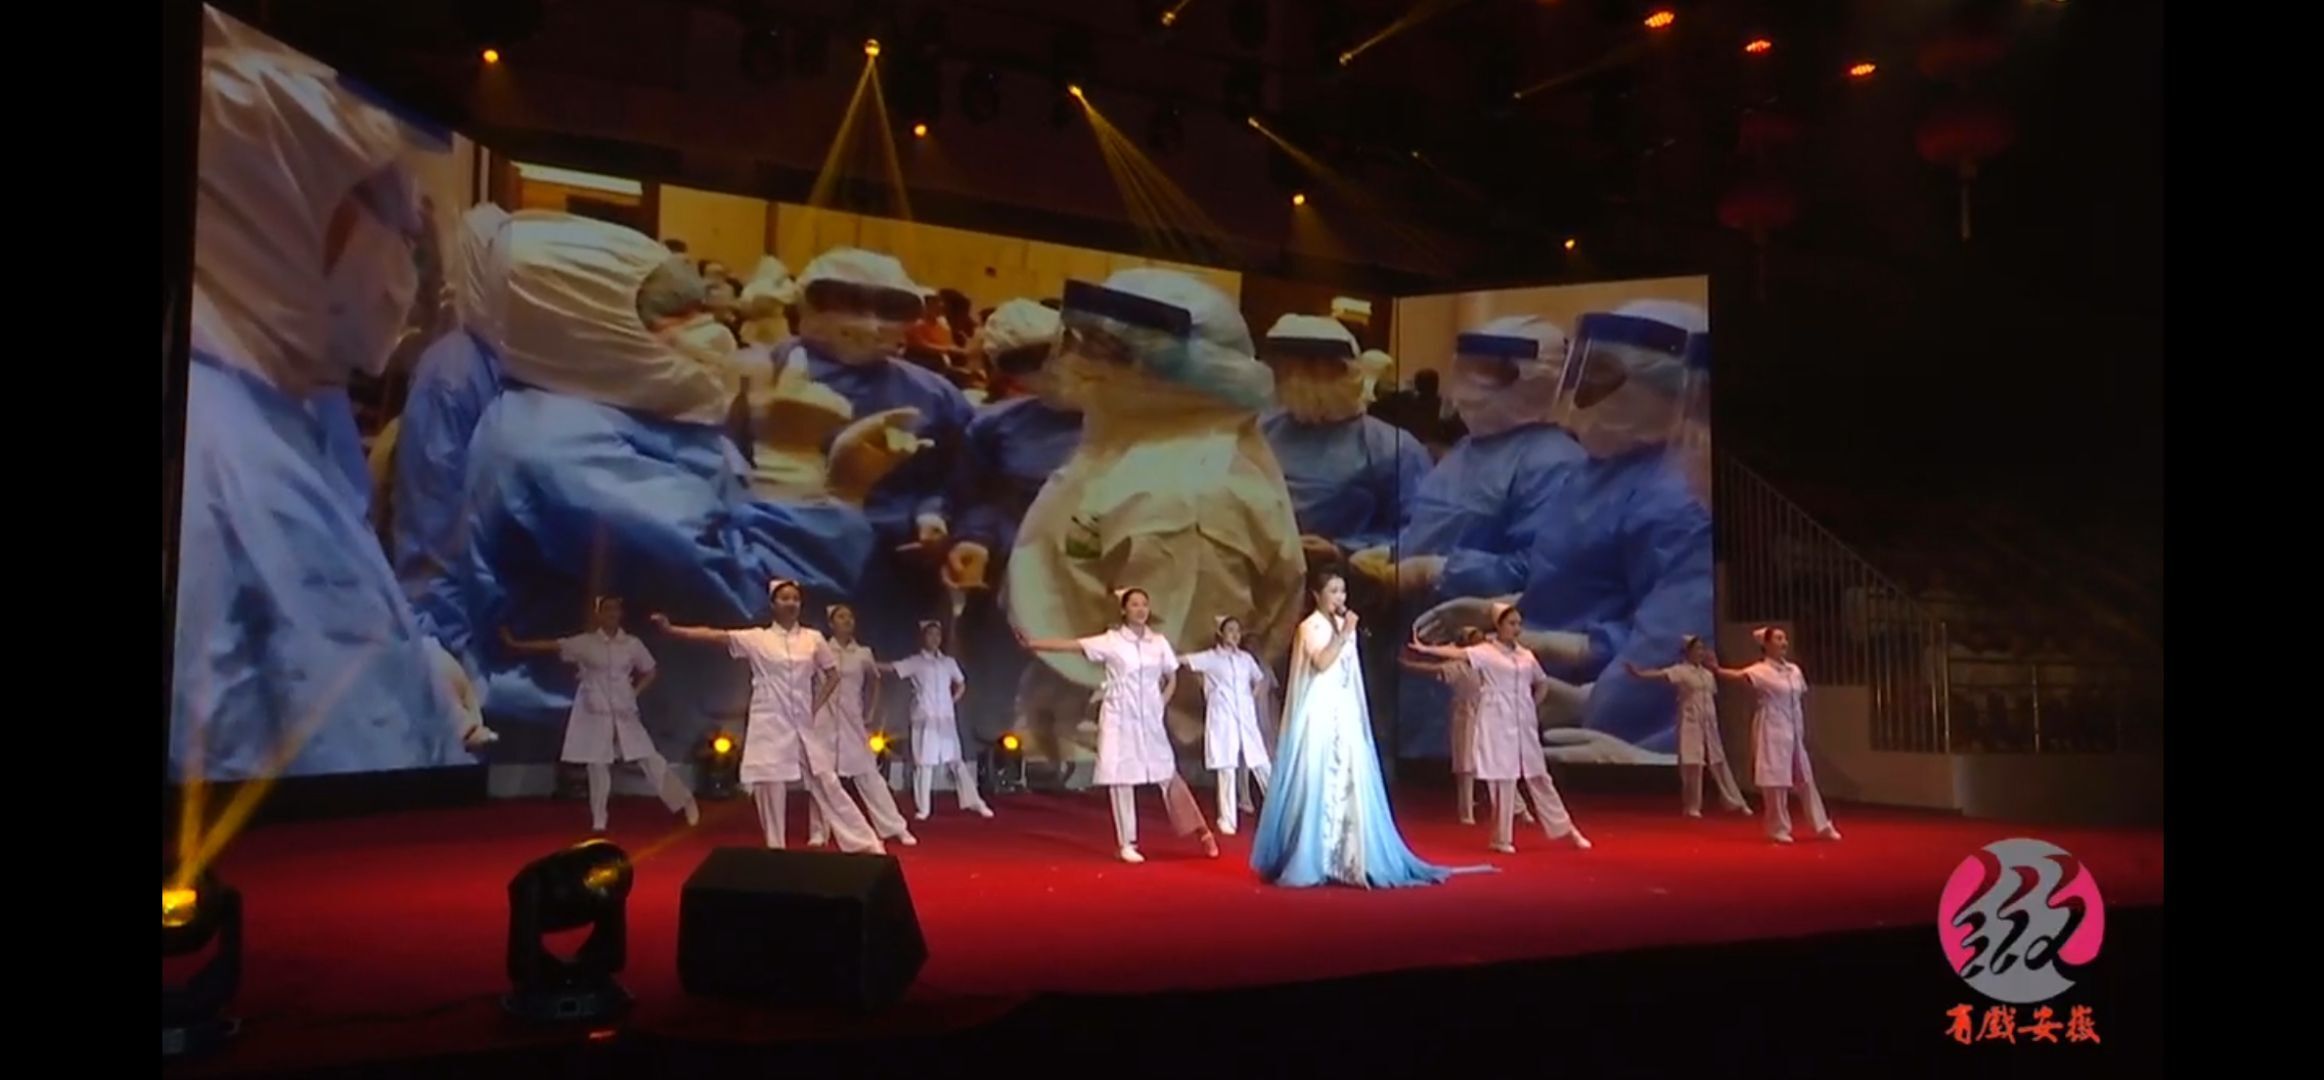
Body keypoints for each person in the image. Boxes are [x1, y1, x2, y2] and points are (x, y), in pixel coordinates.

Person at [171, 30, 489, 781]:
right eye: (387, 218)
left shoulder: (291, 403)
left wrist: (416, 675)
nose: (404, 257)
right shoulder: (217, 454)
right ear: (277, 203)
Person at [460, 214, 882, 755]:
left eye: (698, 306)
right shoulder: (554, 450)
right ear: (580, 322)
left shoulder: (625, 411)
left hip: (667, 726)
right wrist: (800, 470)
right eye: (668, 313)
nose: (708, 330)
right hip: (589, 744)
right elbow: (739, 592)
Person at [1005, 271, 1306, 767]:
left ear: (1181, 371)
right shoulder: (1131, 452)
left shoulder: (1191, 497)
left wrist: (1104, 756)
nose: (1078, 361)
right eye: (1078, 340)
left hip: (1148, 761)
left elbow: (1180, 682)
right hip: (1082, 736)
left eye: (1105, 349)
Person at [1414, 301, 1714, 760]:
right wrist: (1507, 610)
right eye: (1582, 370)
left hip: (1611, 721)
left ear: (1667, 386)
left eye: (1601, 374)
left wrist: (1583, 675)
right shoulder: (1593, 470)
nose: (1582, 389)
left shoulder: (1676, 495)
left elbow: (1667, 637)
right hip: (1543, 695)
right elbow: (1567, 578)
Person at [780, 247, 977, 657]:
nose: (868, 323)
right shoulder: (764, 376)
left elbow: (961, 475)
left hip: (899, 575)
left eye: (887, 307)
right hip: (790, 559)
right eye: (847, 302)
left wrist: (935, 517)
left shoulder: (934, 394)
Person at [1249, 572, 1483, 888]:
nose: (1340, 597)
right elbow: (1322, 662)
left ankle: (1348, 857)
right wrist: (1345, 632)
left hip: (1344, 713)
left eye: (1343, 591)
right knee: (1317, 780)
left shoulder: (1342, 626)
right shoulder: (1310, 627)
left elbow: (1350, 674)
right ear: (1317, 595)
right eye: (1333, 591)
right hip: (1319, 713)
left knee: (1351, 781)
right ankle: (1314, 855)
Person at [943, 301, 1086, 779]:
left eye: (1050, 353)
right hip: (1013, 569)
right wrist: (974, 541)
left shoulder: (1127, 426)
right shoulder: (996, 425)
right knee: (995, 679)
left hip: (1096, 577)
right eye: (1022, 362)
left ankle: (1066, 770)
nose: (1044, 369)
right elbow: (975, 498)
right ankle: (988, 763)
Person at [652, 581, 887, 854]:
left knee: (826, 780)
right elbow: (716, 636)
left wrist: (815, 705)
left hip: (802, 723)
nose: (791, 603)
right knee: (770, 785)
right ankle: (776, 848)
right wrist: (672, 629)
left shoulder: (812, 639)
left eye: (795, 598)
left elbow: (832, 675)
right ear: (773, 604)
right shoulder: (758, 638)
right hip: (769, 721)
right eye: (784, 598)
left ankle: (864, 842)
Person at [1019, 588, 1219, 864]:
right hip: (1119, 715)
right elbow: (1074, 645)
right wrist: (1034, 644)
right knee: (1120, 776)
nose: (1140, 609)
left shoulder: (1158, 642)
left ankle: (1200, 830)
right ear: (1124, 610)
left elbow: (1171, 675)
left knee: (1166, 772)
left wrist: (1161, 701)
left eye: (1144, 604)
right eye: (1134, 604)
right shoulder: (1112, 641)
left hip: (1149, 716)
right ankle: (1127, 842)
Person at [393, 202, 511, 643]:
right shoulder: (451, 375)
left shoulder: (507, 360)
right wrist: (450, 650)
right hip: (461, 634)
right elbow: (431, 539)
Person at [498, 597, 700, 832]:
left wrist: (634, 693)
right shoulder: (586, 643)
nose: (612, 614)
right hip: (595, 711)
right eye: (607, 609)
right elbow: (554, 645)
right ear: (599, 614)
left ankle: (685, 800)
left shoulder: (631, 644)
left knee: (649, 759)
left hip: (623, 710)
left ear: (620, 613)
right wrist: (516, 643)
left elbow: (650, 670)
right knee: (597, 765)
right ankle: (599, 819)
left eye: (616, 609)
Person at [1408, 603, 1591, 854]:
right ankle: (1501, 838)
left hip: (1523, 722)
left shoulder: (1526, 655)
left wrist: (1532, 704)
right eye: (1511, 623)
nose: (1517, 628)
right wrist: (1426, 648)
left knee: (1539, 775)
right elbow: (1458, 653)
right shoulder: (1486, 652)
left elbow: (1541, 682)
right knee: (1504, 778)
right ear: (1499, 625)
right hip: (1497, 719)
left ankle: (1566, 828)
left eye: (1519, 623)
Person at [1256, 315, 1430, 568]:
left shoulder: (1392, 448)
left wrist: (1342, 551)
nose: (1290, 379)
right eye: (1283, 369)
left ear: (1343, 371)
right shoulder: (1263, 429)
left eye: (1306, 369)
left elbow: (1420, 534)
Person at [803, 604, 917, 848]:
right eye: (841, 617)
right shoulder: (820, 650)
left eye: (850, 617)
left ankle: (895, 827)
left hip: (852, 719)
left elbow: (875, 682)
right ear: (831, 623)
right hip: (824, 720)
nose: (847, 621)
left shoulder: (863, 653)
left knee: (868, 774)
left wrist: (871, 712)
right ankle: (820, 831)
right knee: (823, 776)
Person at [1713, 627, 1840, 844]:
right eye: (1779, 639)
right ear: (1766, 644)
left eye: (1784, 638)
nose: (1784, 643)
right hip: (1771, 729)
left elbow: (1798, 696)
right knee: (1775, 782)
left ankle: (1822, 825)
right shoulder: (1761, 670)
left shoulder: (1794, 670)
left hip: (1794, 732)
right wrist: (1716, 669)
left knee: (1806, 780)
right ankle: (1777, 828)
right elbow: (1739, 675)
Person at [1400, 626, 1528, 826]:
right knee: (1466, 768)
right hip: (1467, 718)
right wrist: (1408, 664)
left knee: (1496, 765)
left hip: (1488, 717)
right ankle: (1467, 813)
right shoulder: (1459, 666)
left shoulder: (1490, 663)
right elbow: (1432, 669)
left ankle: (1517, 809)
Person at [881, 621, 994, 820]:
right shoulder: (916, 662)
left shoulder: (948, 662)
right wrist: (867, 663)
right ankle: (923, 808)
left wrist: (952, 700)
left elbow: (961, 683)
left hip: (945, 720)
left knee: (956, 762)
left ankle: (975, 802)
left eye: (937, 635)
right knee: (924, 763)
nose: (934, 639)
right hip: (925, 719)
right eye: (930, 634)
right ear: (923, 637)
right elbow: (892, 668)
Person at [1627, 635, 1750, 818]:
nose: (1701, 652)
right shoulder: (1681, 671)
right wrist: (1639, 674)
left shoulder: (1707, 674)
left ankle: (1734, 801)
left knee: (1718, 760)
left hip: (1709, 722)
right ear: (1688, 652)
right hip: (1690, 721)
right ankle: (1692, 805)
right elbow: (1660, 674)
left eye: (1702, 648)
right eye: (1697, 649)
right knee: (1692, 764)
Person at [1179, 616, 1272, 836]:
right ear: (1220, 633)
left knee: (1262, 764)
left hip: (1246, 719)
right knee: (1227, 767)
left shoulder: (1245, 659)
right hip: (1224, 719)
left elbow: (1259, 678)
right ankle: (1227, 819)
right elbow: (1183, 660)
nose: (1235, 634)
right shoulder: (1211, 658)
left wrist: (1253, 695)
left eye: (1238, 630)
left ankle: (1278, 811)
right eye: (1230, 630)